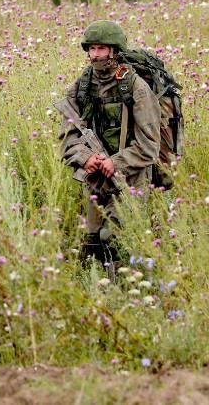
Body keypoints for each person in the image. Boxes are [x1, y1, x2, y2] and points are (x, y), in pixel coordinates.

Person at [60, 20, 160, 270]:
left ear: (114, 51)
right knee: (93, 242)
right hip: (95, 177)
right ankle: (100, 295)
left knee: (115, 238)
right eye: (92, 49)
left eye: (102, 49)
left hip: (131, 177)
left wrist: (114, 162)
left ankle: (129, 294)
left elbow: (149, 145)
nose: (95, 56)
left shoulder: (135, 87)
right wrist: (85, 157)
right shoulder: (81, 86)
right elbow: (67, 135)